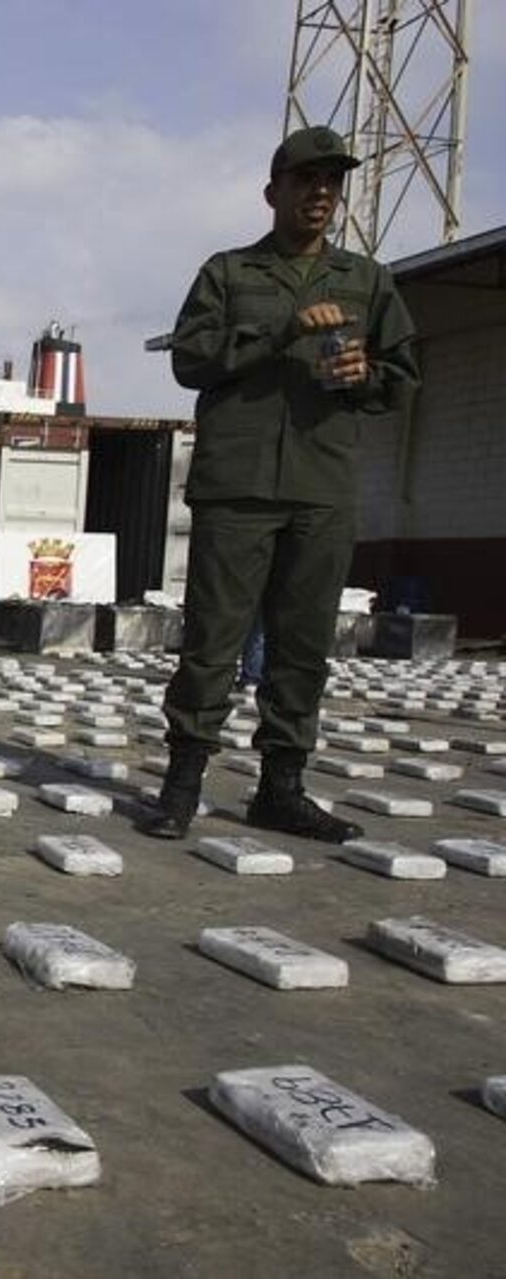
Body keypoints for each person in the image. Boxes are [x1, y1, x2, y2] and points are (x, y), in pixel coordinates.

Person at [137, 126, 418, 841]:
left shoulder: (367, 281)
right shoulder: (229, 274)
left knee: (302, 644)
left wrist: (366, 378)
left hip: (322, 486)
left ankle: (281, 787)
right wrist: (279, 332)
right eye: (306, 180)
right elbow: (191, 360)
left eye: (332, 182)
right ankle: (181, 782)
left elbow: (403, 377)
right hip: (237, 485)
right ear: (275, 192)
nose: (320, 193)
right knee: (213, 641)